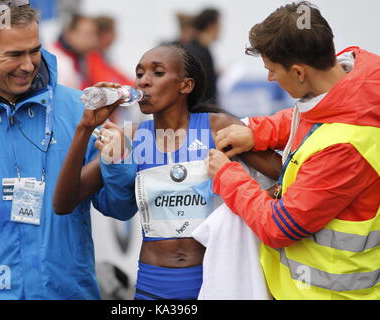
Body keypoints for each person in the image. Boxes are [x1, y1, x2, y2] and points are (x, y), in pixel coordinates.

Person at [0, 0, 135, 300]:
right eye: (14, 54)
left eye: (34, 50)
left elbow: (120, 207)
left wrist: (117, 161)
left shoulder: (78, 111)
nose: (27, 65)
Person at [53, 43, 282, 300]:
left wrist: (259, 200)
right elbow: (64, 202)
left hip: (216, 280)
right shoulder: (133, 136)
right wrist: (85, 128)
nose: (144, 82)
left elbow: (287, 176)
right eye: (139, 74)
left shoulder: (217, 127)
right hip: (153, 285)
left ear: (185, 85)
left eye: (157, 73)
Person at [207, 1, 380, 299]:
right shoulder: (351, 83)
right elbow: (311, 116)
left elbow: (279, 226)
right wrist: (256, 132)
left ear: (299, 72)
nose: (270, 79)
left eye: (272, 70)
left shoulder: (347, 147)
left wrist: (226, 175)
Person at [47, 14, 99, 89]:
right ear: (69, 34)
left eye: (95, 34)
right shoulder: (57, 62)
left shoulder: (80, 57)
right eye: (87, 34)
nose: (93, 40)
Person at [185, 8, 220, 103]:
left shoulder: (201, 50)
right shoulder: (196, 53)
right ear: (211, 26)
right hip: (202, 112)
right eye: (219, 24)